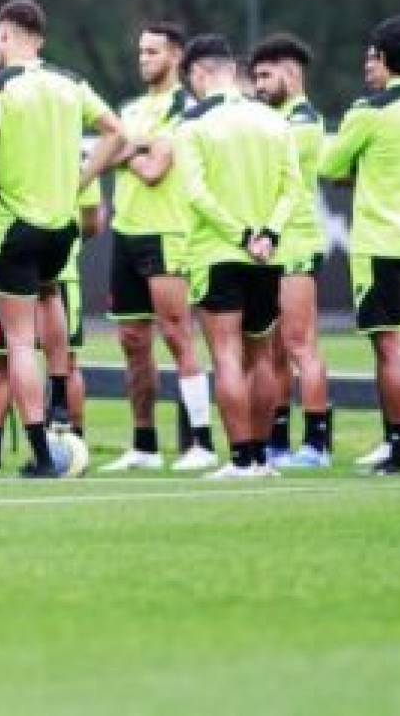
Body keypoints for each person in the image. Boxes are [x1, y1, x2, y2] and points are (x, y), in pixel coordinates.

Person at [0, 0, 124, 478]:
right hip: (62, 227)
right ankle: (60, 401)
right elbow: (117, 132)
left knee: (18, 343)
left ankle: (41, 454)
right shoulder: (71, 82)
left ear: (4, 37)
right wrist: (81, 178)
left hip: (14, 224)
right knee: (51, 293)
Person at [319, 16, 400, 475]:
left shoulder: (367, 113)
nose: (366, 65)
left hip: (381, 243)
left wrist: (361, 167)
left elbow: (330, 165)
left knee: (390, 348)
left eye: (372, 56)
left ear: (387, 59)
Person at [175, 35, 296, 479]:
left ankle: (241, 457)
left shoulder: (193, 123)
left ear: (201, 73)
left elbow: (196, 193)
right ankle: (262, 457)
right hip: (265, 255)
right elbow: (293, 188)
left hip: (219, 252)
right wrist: (269, 234)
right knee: (261, 356)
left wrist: (241, 234)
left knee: (226, 355)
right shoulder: (273, 120)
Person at [99, 22, 217, 473]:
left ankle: (201, 442)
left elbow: (154, 172)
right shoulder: (129, 109)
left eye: (152, 52)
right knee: (132, 341)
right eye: (140, 51)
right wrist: (136, 148)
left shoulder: (186, 108)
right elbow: (117, 154)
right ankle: (144, 445)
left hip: (168, 233)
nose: (143, 59)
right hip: (127, 233)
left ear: (176, 57)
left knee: (176, 334)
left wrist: (127, 151)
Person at [0, 173, 102, 471]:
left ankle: (70, 441)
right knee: (1, 360)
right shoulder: (51, 152)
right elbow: (89, 223)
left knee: (52, 359)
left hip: (40, 265)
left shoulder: (70, 158)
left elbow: (93, 221)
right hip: (19, 267)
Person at [250, 33, 333, 470]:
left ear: (291, 74)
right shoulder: (274, 117)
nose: (259, 84)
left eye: (266, 75)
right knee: (274, 351)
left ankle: (318, 443)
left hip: (296, 242)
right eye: (255, 76)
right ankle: (277, 440)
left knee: (301, 346)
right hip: (271, 245)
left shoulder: (302, 121)